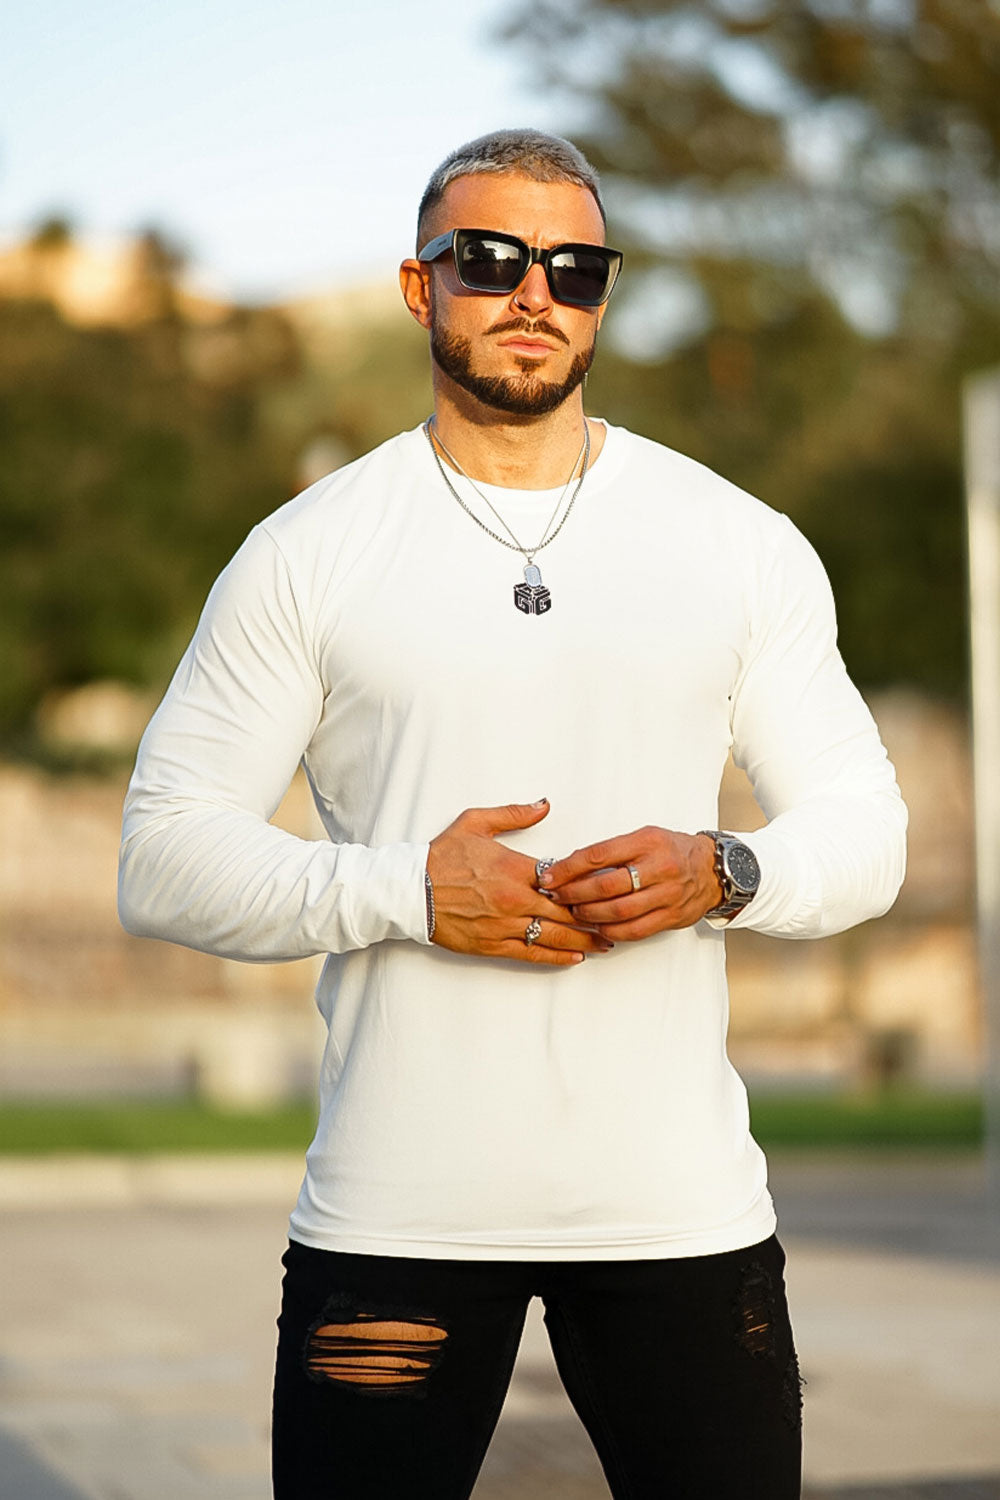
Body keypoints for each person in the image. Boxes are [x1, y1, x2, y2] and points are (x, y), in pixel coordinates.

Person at [118, 129, 907, 1499]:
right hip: (399, 1214)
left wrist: (724, 869)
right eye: (487, 259)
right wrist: (408, 893)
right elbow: (164, 856)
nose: (534, 293)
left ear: (604, 294)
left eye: (573, 268)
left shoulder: (737, 541)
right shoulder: (308, 552)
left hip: (678, 1214)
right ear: (419, 287)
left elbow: (866, 830)